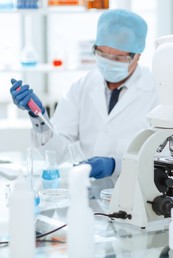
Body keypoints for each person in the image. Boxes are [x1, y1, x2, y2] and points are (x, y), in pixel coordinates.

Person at [9, 9, 158, 185]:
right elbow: (56, 154)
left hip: (138, 194)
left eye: (118, 58)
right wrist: (38, 117)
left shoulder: (157, 92)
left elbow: (165, 160)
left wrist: (115, 165)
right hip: (90, 195)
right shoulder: (81, 87)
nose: (109, 62)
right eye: (102, 54)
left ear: (138, 56)